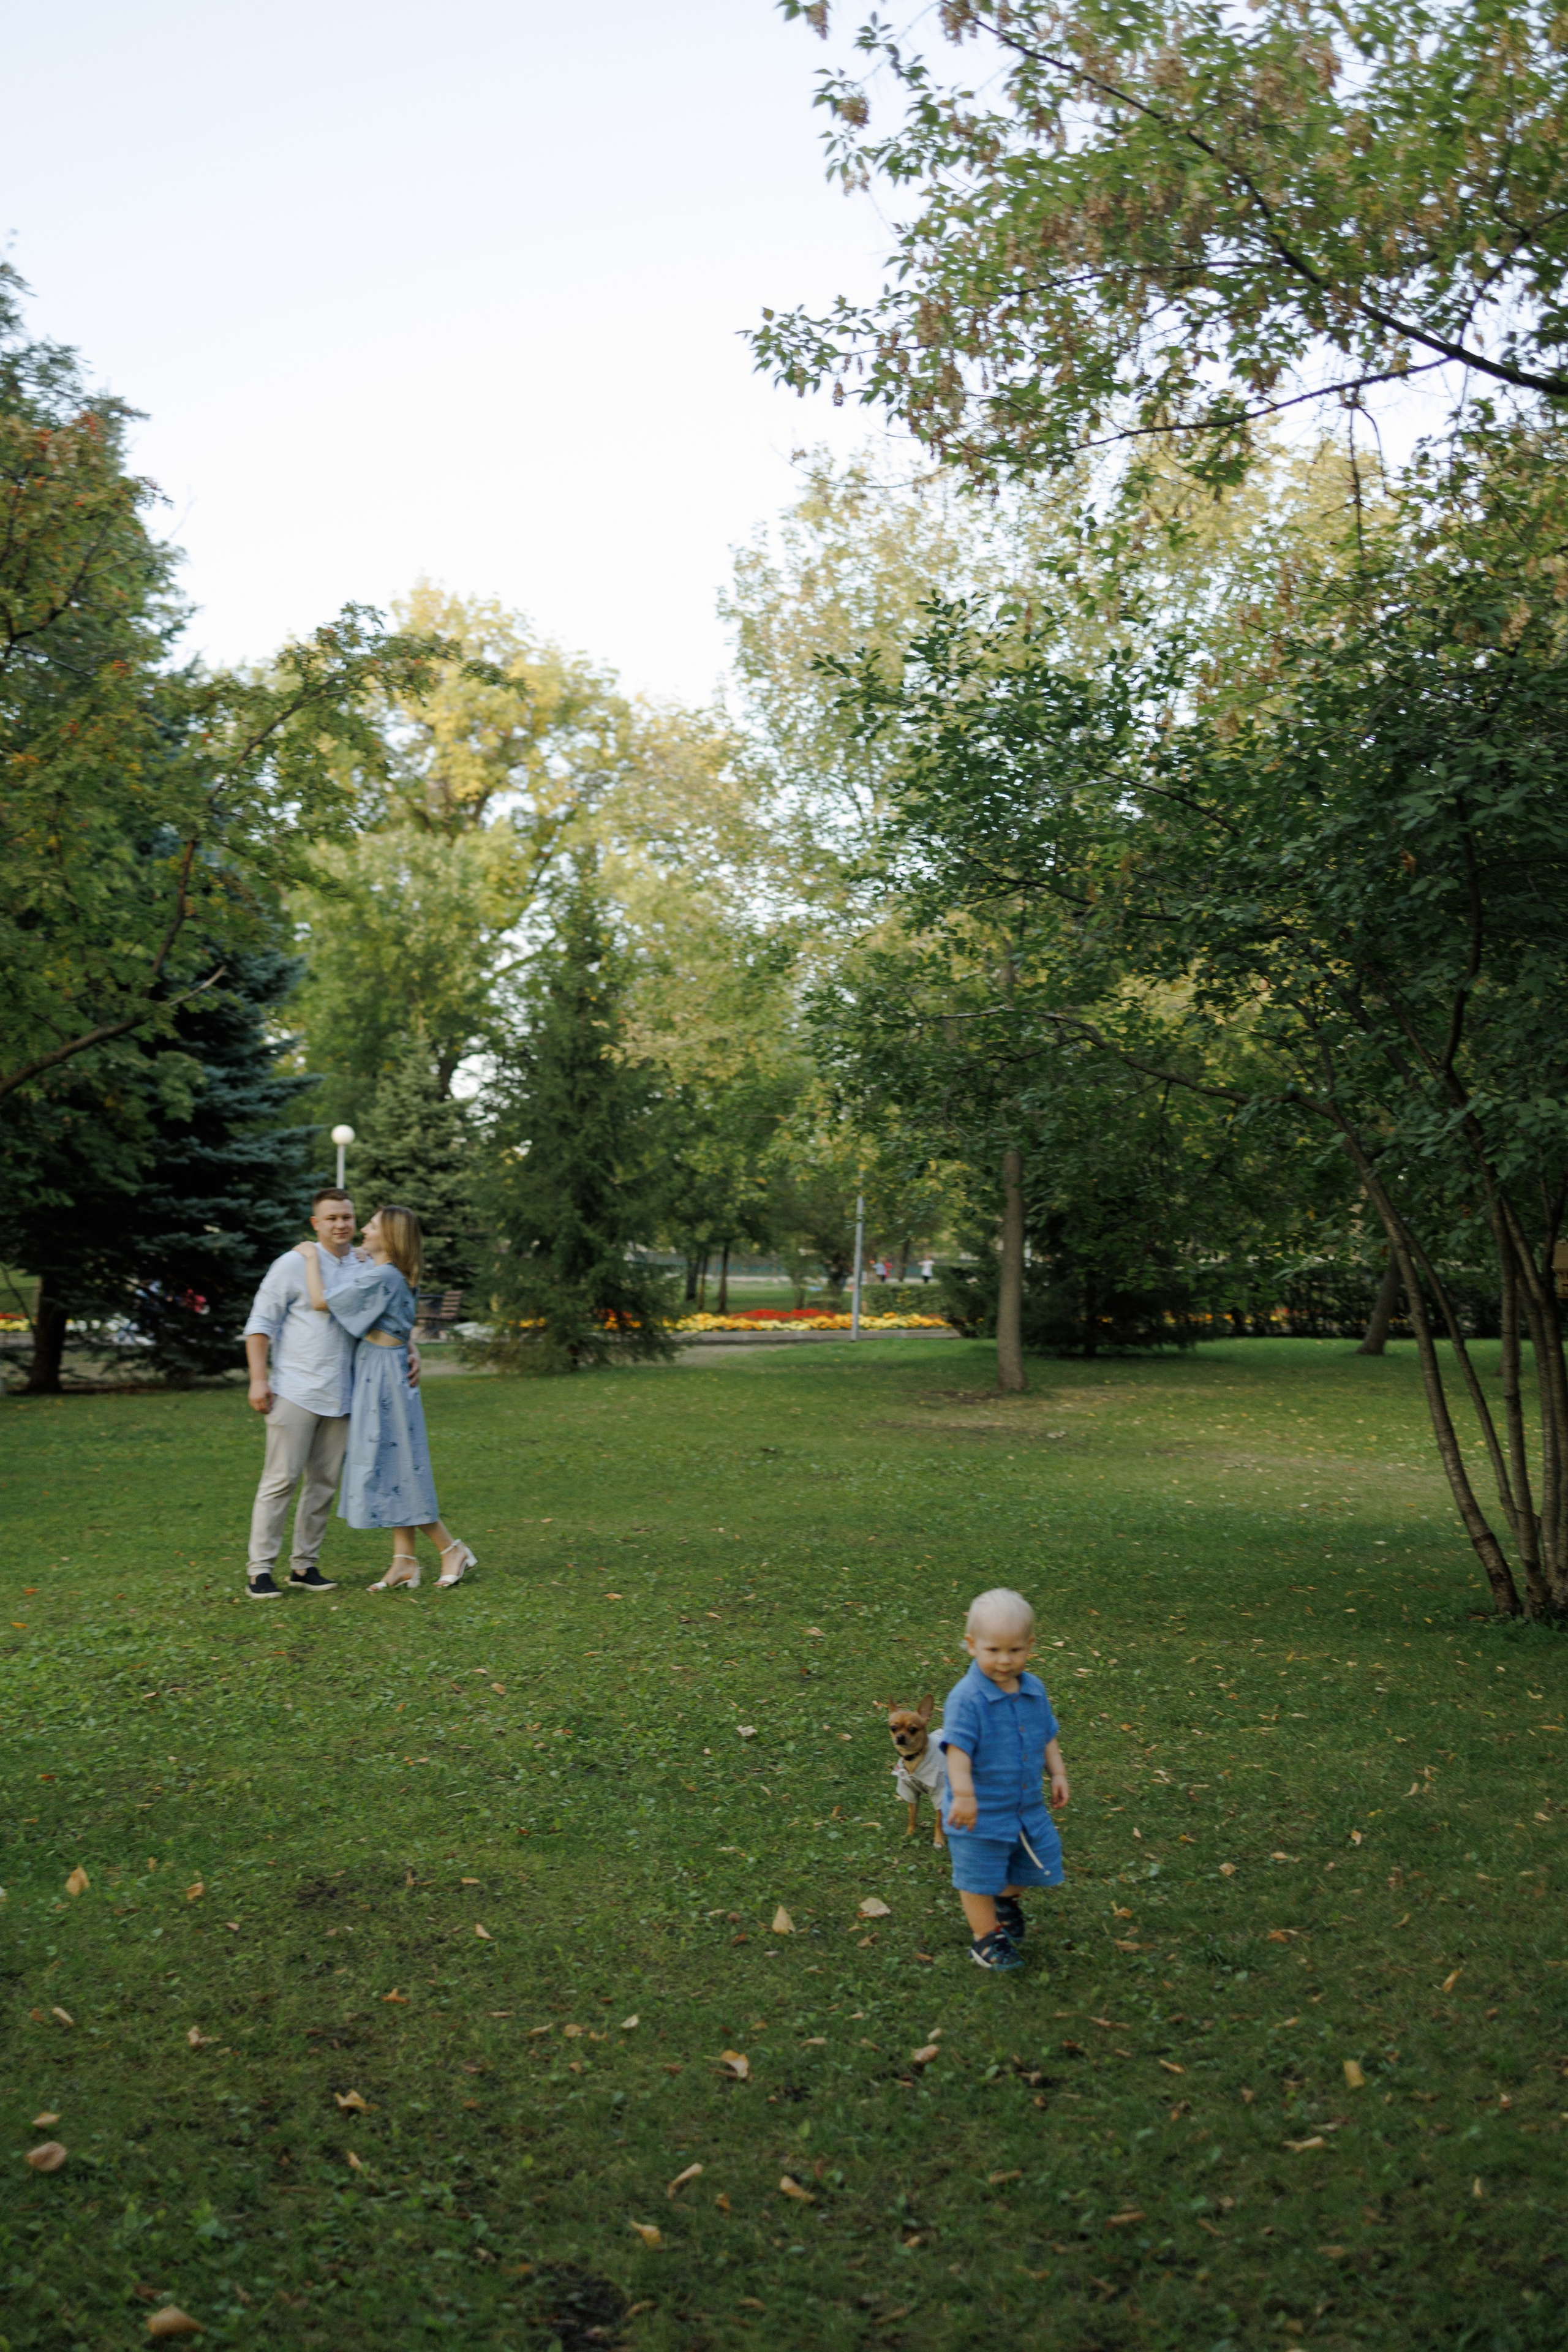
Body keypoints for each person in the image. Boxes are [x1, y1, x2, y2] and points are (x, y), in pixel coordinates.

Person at [241, 1188, 417, 1600]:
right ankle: (259, 1570)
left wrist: (412, 1349)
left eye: (347, 1218)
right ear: (315, 1224)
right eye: (332, 1218)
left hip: (346, 1394)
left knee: (323, 1483)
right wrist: (257, 1379)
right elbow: (260, 1322)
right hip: (296, 1391)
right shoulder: (292, 1264)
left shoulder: (364, 1264)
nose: (341, 1225)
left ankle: (304, 1566)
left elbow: (387, 1312)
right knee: (280, 1481)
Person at [296, 1203, 476, 1592]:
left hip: (384, 1380)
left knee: (399, 1467)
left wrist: (310, 1254)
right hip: (381, 1370)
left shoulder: (385, 1278)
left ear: (389, 1237)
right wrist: (364, 1254)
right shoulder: (388, 1274)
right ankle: (404, 1562)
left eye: (371, 1226)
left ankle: (451, 1549)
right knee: (392, 1464)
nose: (362, 1229)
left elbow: (320, 1301)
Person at [935, 1587, 1070, 1972]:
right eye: (993, 1650)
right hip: (977, 1812)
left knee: (1030, 1865)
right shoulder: (967, 1698)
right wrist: (963, 1795)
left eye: (1015, 1650)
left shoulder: (1034, 1690)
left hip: (1024, 1807)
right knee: (978, 1876)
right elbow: (957, 1750)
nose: (1005, 1661)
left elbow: (1046, 1735)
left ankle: (1005, 1901)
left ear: (1030, 1646)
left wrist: (1057, 1772)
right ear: (972, 1645)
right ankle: (985, 1939)